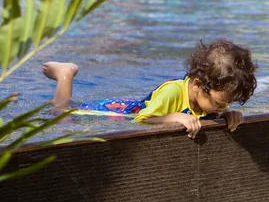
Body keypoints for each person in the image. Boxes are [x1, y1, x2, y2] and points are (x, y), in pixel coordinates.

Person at [43, 39, 258, 139]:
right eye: (220, 103)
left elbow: (209, 111)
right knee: (62, 112)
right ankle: (65, 74)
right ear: (198, 85)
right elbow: (142, 119)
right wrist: (174, 117)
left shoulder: (206, 95)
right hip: (113, 112)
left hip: (137, 107)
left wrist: (226, 115)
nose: (222, 106)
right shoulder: (173, 92)